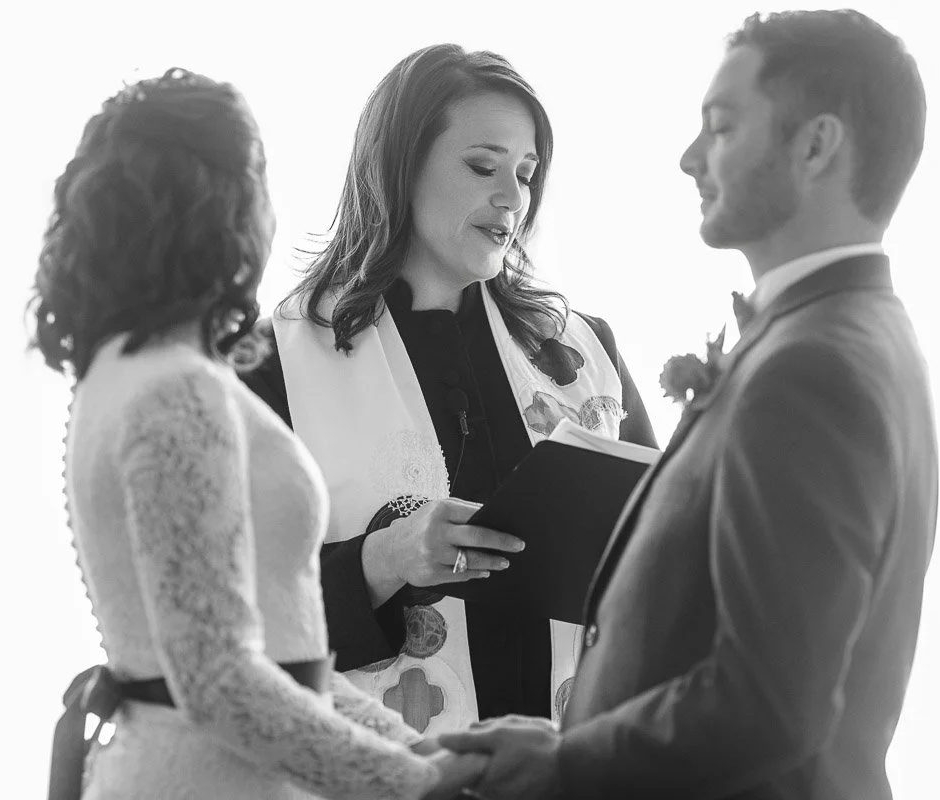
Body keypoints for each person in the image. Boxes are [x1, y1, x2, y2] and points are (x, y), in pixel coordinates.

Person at [440, 10, 938, 799]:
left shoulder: (810, 370)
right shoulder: (850, 331)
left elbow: (770, 704)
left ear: (815, 145)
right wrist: (581, 731)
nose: (688, 158)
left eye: (722, 126)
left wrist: (566, 766)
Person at [30, 68, 484, 800]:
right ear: (227, 206)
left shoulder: (119, 370)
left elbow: (277, 658)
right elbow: (219, 683)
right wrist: (416, 788)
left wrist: (427, 758)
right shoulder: (179, 391)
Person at [241, 43, 656, 737]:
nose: (512, 198)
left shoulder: (584, 350)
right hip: (386, 763)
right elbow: (232, 617)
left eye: (527, 174)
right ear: (399, 167)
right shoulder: (273, 364)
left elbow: (670, 553)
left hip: (573, 764)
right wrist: (388, 557)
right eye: (482, 166)